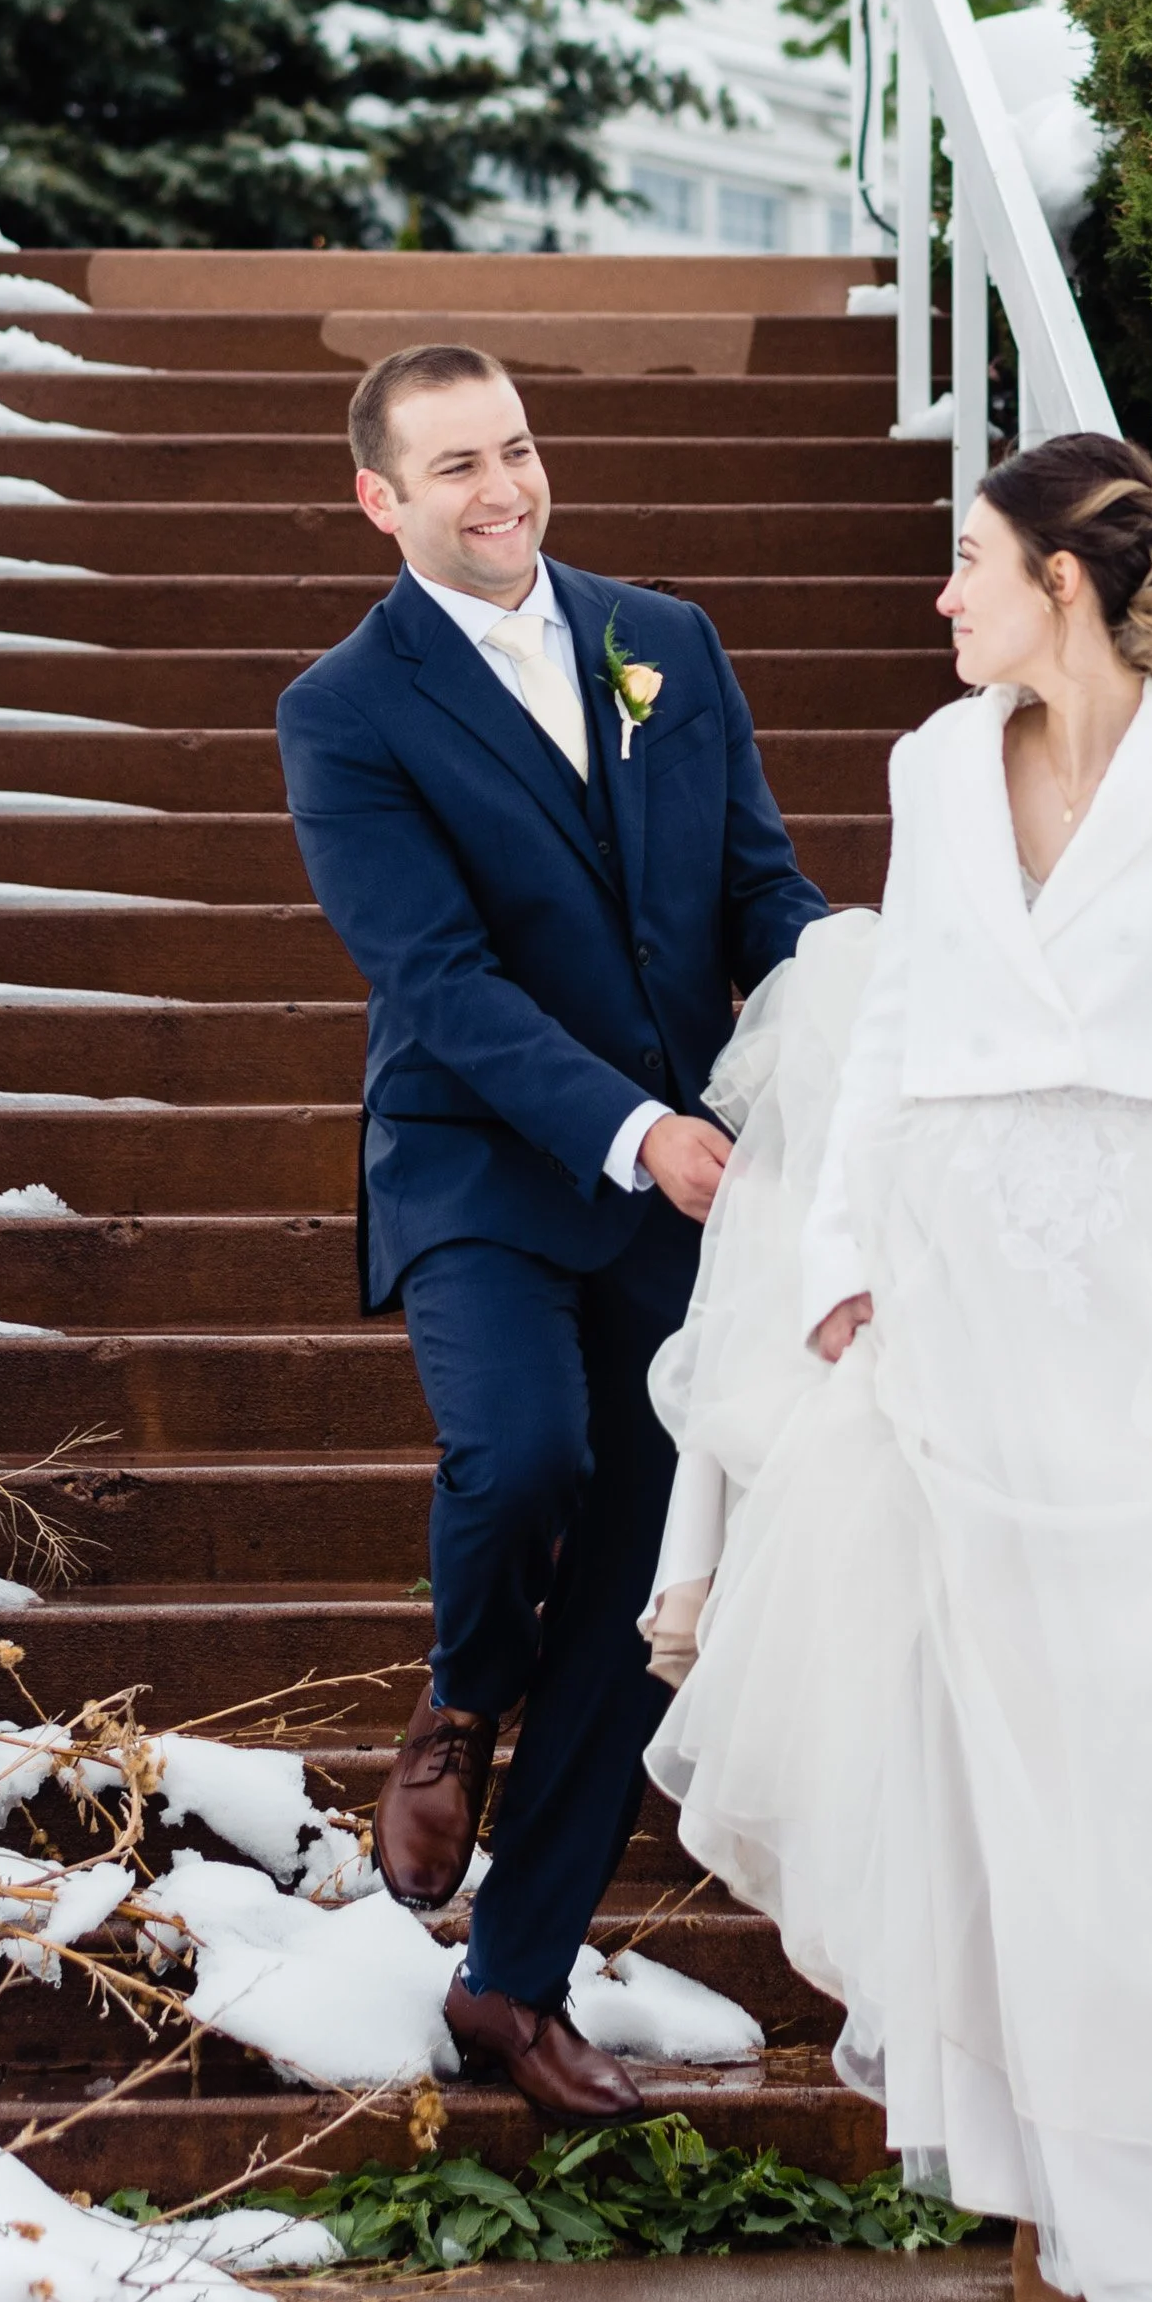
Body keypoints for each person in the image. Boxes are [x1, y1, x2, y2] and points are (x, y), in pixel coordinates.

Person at [646, 434, 1152, 2302]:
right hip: (949, 1303)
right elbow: (892, 1041)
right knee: (980, 1767)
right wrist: (835, 1259)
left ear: (1062, 581)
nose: (943, 598)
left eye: (971, 564)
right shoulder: (933, 768)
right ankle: (1048, 2219)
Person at [276, 342, 826, 2119]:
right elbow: (432, 978)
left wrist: (857, 1011)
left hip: (688, 1183)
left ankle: (511, 1986)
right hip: (481, 1164)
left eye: (514, 449)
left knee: (633, 1589)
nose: (500, 488)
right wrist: (629, 1127)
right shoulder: (343, 709)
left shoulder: (668, 636)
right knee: (521, 1460)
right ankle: (454, 1703)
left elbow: (757, 886)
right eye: (453, 468)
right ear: (381, 500)